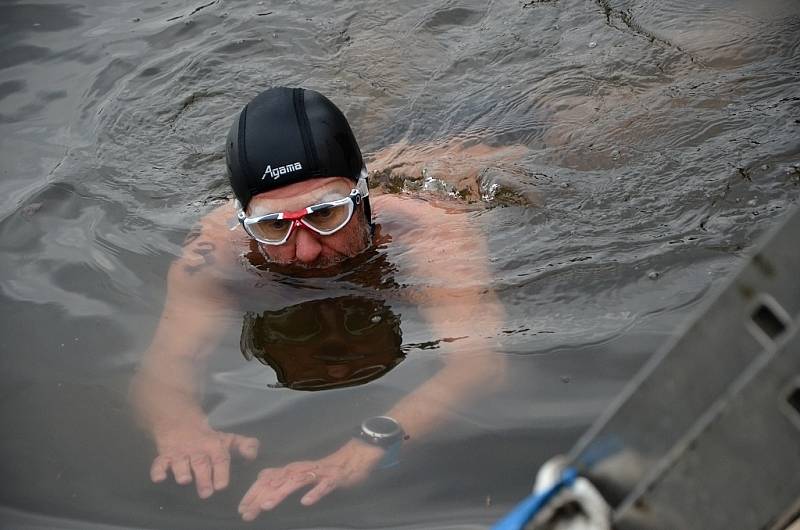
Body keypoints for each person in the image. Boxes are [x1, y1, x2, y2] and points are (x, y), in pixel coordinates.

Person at [130, 87, 507, 522]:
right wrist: (180, 426)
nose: (306, 250)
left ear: (362, 198)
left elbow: (479, 364)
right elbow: (165, 365)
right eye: (274, 226)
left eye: (326, 214)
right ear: (245, 223)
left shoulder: (429, 231)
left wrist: (363, 450)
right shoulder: (213, 249)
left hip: (500, 121)